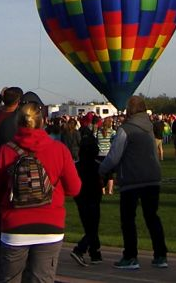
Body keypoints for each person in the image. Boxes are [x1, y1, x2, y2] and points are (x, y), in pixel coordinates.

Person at [0, 100, 81, 283]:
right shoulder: (59, 150)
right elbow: (75, 188)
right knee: (42, 279)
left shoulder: (5, 152)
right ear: (42, 121)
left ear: (17, 123)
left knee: (9, 278)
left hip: (15, 225)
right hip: (49, 225)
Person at [100, 95, 168, 270]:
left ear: (129, 110)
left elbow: (114, 156)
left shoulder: (125, 129)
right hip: (152, 178)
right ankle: (160, 255)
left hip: (132, 179)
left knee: (128, 219)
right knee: (152, 217)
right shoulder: (149, 127)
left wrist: (100, 170)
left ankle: (131, 256)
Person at [69, 113, 104, 267]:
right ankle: (80, 249)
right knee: (93, 226)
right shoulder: (97, 166)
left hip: (81, 198)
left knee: (89, 225)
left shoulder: (76, 166)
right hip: (93, 198)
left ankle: (95, 253)